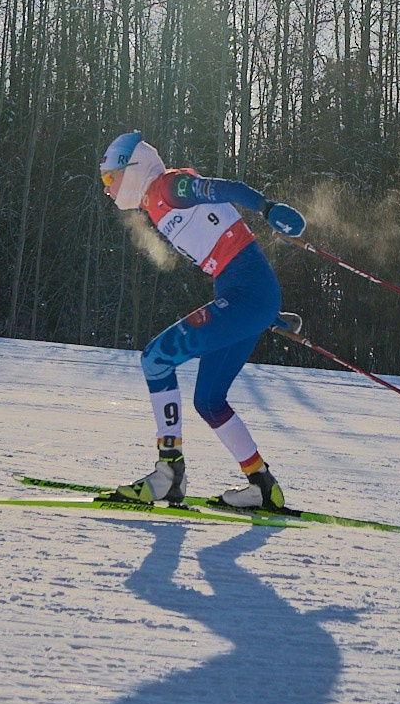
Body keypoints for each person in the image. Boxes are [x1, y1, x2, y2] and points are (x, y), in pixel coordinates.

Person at [98, 132, 307, 512]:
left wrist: (268, 207)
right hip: (247, 298)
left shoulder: (168, 187)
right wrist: (266, 313)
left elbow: (227, 189)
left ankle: (168, 476)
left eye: (111, 178)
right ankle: (262, 485)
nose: (108, 189)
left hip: (247, 298)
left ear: (133, 169)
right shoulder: (156, 205)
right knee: (209, 400)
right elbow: (232, 250)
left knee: (155, 358)